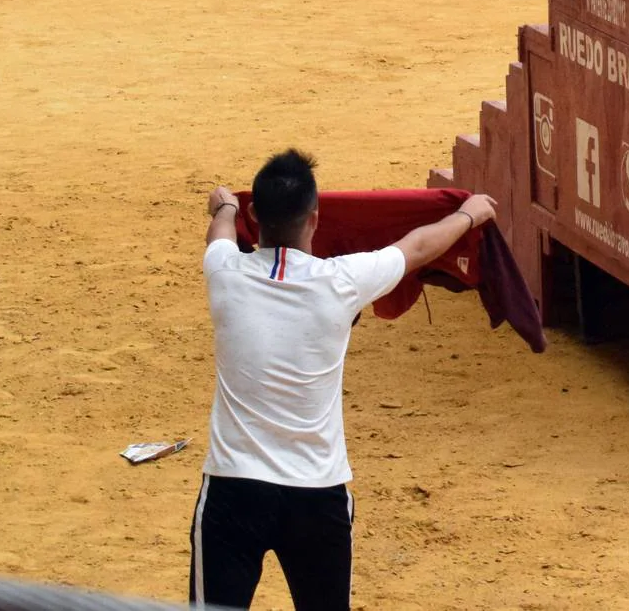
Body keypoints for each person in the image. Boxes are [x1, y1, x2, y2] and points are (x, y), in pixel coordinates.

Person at [192, 153, 493, 607]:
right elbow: (416, 248)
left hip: (234, 490)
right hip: (317, 495)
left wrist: (225, 207)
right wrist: (469, 215)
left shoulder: (224, 272)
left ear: (256, 215)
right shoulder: (342, 280)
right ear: (314, 218)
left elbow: (219, 234)